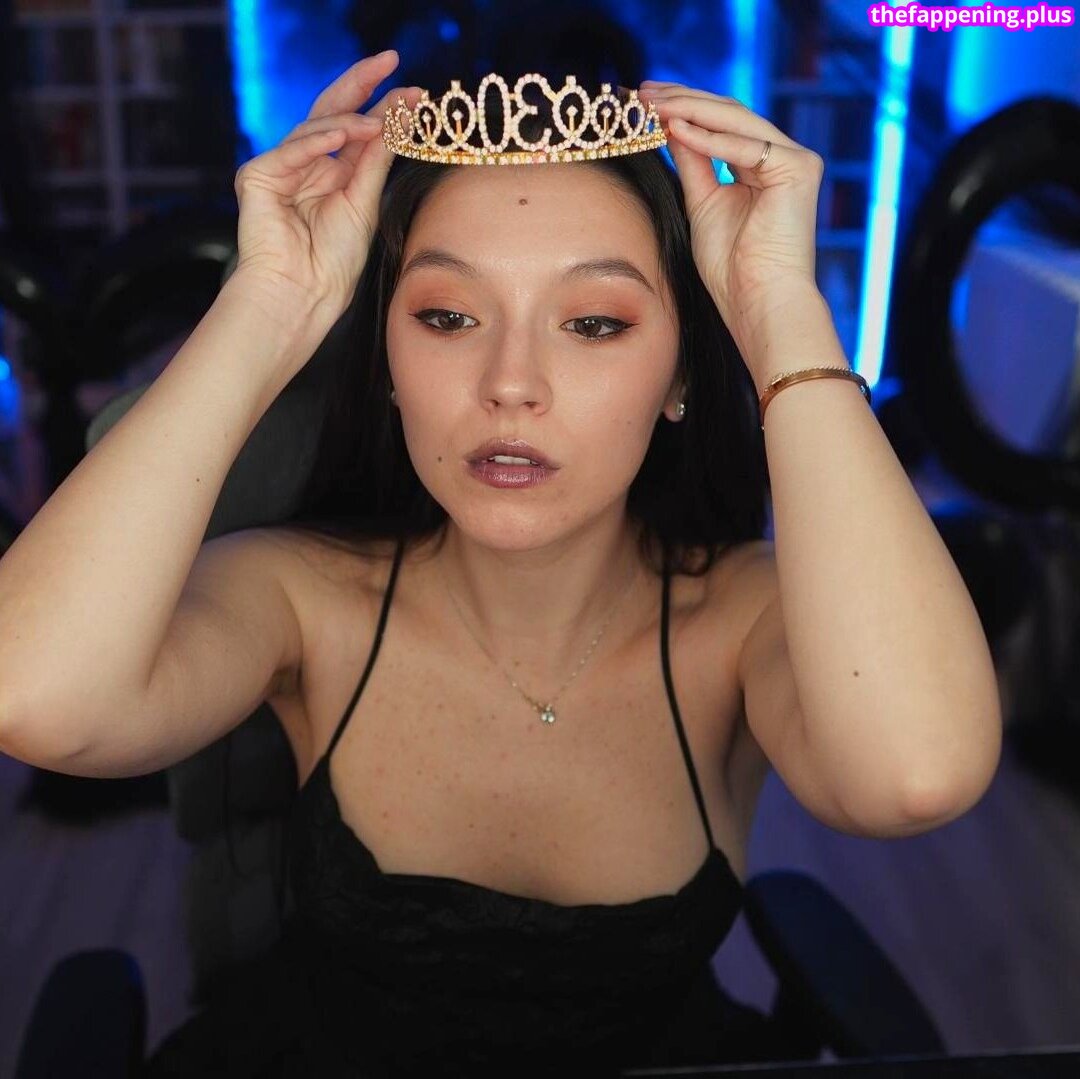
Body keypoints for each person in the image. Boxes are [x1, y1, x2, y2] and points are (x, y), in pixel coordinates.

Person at [0, 48, 1003, 1078]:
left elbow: (916, 774)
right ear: (389, 363)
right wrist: (267, 304)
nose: (511, 382)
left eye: (594, 322)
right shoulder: (302, 598)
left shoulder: (741, 618)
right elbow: (33, 696)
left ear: (678, 378)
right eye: (447, 316)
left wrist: (780, 309)